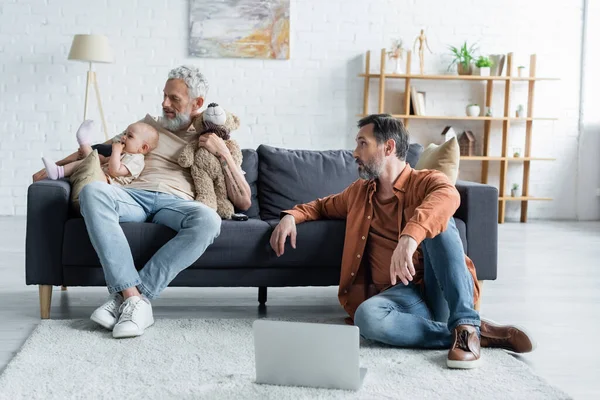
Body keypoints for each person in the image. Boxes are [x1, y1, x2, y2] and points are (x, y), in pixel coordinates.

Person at [270, 114, 535, 369]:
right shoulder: (359, 192)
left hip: (439, 292)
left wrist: (410, 236)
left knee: (438, 222)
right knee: (366, 318)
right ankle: (468, 332)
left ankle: (465, 325)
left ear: (389, 147)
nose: (354, 153)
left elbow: (448, 196)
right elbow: (320, 206)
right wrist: (291, 217)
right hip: (401, 299)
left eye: (363, 143)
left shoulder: (426, 181)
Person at [32, 65, 252, 339]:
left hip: (176, 203)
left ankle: (129, 297)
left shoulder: (212, 136)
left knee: (209, 220)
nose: (165, 104)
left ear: (197, 103)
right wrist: (53, 168)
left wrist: (223, 153)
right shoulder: (147, 127)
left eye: (174, 99)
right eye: (164, 96)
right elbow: (97, 150)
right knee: (93, 192)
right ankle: (134, 299)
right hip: (132, 195)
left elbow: (243, 201)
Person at [41, 120, 159, 185]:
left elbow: (115, 170)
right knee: (92, 159)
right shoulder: (124, 154)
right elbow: (106, 161)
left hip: (107, 184)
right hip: (100, 176)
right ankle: (58, 172)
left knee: (91, 161)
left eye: (130, 136)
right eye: (125, 134)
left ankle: (84, 142)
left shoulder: (136, 160)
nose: (123, 138)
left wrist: (116, 152)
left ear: (143, 148)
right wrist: (102, 158)